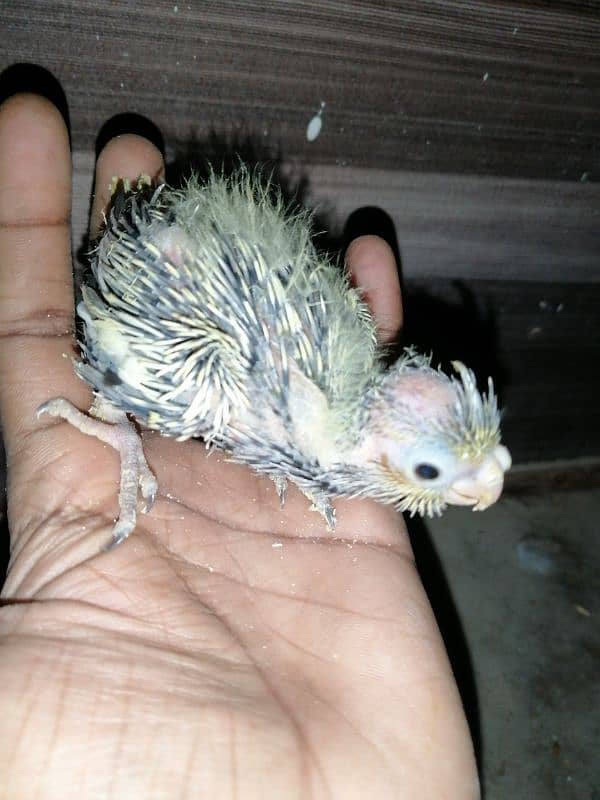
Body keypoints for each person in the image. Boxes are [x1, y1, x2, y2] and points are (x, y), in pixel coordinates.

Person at [0, 93, 479, 798]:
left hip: (195, 270)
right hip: (156, 288)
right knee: (135, 379)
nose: (466, 491)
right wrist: (119, 430)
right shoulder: (222, 388)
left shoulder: (333, 382)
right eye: (431, 472)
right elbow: (139, 330)